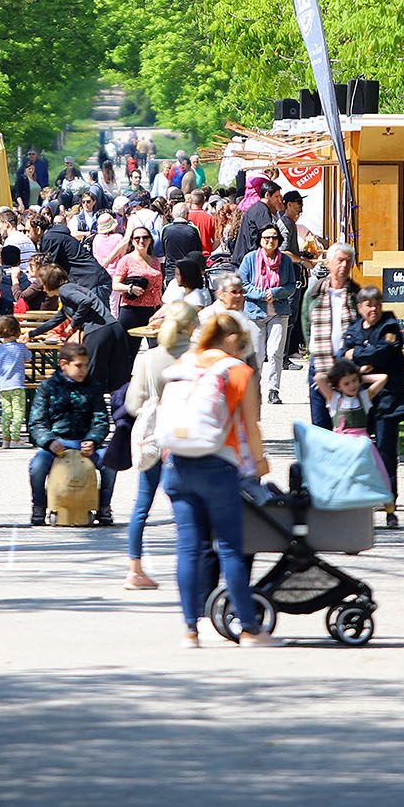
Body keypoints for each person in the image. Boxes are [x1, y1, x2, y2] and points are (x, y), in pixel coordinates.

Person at [161, 312, 275, 648]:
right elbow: (250, 425)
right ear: (232, 340)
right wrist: (259, 461)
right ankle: (250, 629)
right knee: (229, 548)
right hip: (217, 464)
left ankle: (189, 630)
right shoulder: (237, 370)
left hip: (177, 465)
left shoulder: (185, 362)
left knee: (188, 550)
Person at [121, 300, 200, 590]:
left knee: (142, 503)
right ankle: (190, 566)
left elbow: (132, 404)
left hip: (153, 434)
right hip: (185, 435)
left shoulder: (149, 358)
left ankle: (134, 568)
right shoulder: (195, 357)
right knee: (184, 505)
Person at [338, 286, 404, 530]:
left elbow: (384, 352)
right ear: (360, 308)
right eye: (368, 305)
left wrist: (357, 355)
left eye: (377, 304)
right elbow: (342, 355)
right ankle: (361, 500)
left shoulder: (390, 327)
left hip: (388, 401)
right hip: (361, 402)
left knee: (385, 452)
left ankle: (389, 502)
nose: (373, 309)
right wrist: (360, 359)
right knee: (359, 451)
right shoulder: (353, 328)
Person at [28, 341, 117, 526]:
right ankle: (39, 505)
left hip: (84, 441)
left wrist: (93, 439)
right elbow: (36, 422)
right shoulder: (47, 387)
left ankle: (104, 506)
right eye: (78, 365)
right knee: (37, 466)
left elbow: (100, 419)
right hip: (57, 442)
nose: (83, 370)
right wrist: (49, 442)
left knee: (110, 463)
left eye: (86, 365)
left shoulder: (93, 387)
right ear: (63, 364)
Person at [300, 244, 360, 429]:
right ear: (328, 263)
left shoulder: (356, 294)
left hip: (347, 368)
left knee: (346, 424)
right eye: (340, 260)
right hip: (320, 364)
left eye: (348, 261)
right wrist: (314, 350)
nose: (344, 265)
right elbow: (306, 324)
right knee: (320, 423)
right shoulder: (315, 292)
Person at [240, 223, 300, 406]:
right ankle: (254, 390)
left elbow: (291, 285)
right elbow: (243, 283)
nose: (270, 241)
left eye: (274, 237)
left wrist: (275, 293)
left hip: (279, 311)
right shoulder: (250, 259)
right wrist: (260, 294)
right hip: (255, 311)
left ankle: (273, 390)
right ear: (260, 240)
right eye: (266, 237)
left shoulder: (286, 261)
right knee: (257, 354)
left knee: (275, 352)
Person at [109, 223, 164, 358]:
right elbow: (115, 285)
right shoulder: (126, 260)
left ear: (150, 240)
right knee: (127, 354)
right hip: (132, 311)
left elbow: (159, 287)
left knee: (156, 353)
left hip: (153, 311)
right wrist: (130, 288)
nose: (141, 241)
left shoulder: (155, 261)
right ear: (132, 241)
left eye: (145, 238)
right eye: (137, 238)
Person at [315, 357, 384, 439]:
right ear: (338, 386)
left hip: (360, 445)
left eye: (354, 380)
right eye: (346, 383)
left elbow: (383, 377)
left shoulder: (364, 397)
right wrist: (335, 376)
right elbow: (319, 378)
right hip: (341, 445)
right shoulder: (334, 398)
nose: (352, 386)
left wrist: (360, 376)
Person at [0, 315, 31, 448]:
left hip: (3, 385)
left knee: (6, 412)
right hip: (17, 383)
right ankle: (15, 438)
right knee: (18, 411)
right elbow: (29, 358)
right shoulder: (21, 347)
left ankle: (5, 439)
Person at [228, 176, 280, 264]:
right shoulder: (262, 211)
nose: (278, 200)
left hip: (243, 258)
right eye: (276, 196)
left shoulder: (256, 208)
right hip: (250, 260)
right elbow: (266, 237)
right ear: (267, 195)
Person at [159, 202, 204, 277]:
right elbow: (198, 251)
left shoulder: (165, 229)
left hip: (171, 271)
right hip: (189, 270)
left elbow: (164, 250)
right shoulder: (193, 229)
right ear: (187, 214)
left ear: (172, 214)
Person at [186, 188, 218, 256]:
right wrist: (210, 249)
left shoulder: (185, 217)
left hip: (187, 255)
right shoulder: (210, 218)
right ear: (204, 201)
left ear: (190, 201)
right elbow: (217, 239)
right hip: (204, 255)